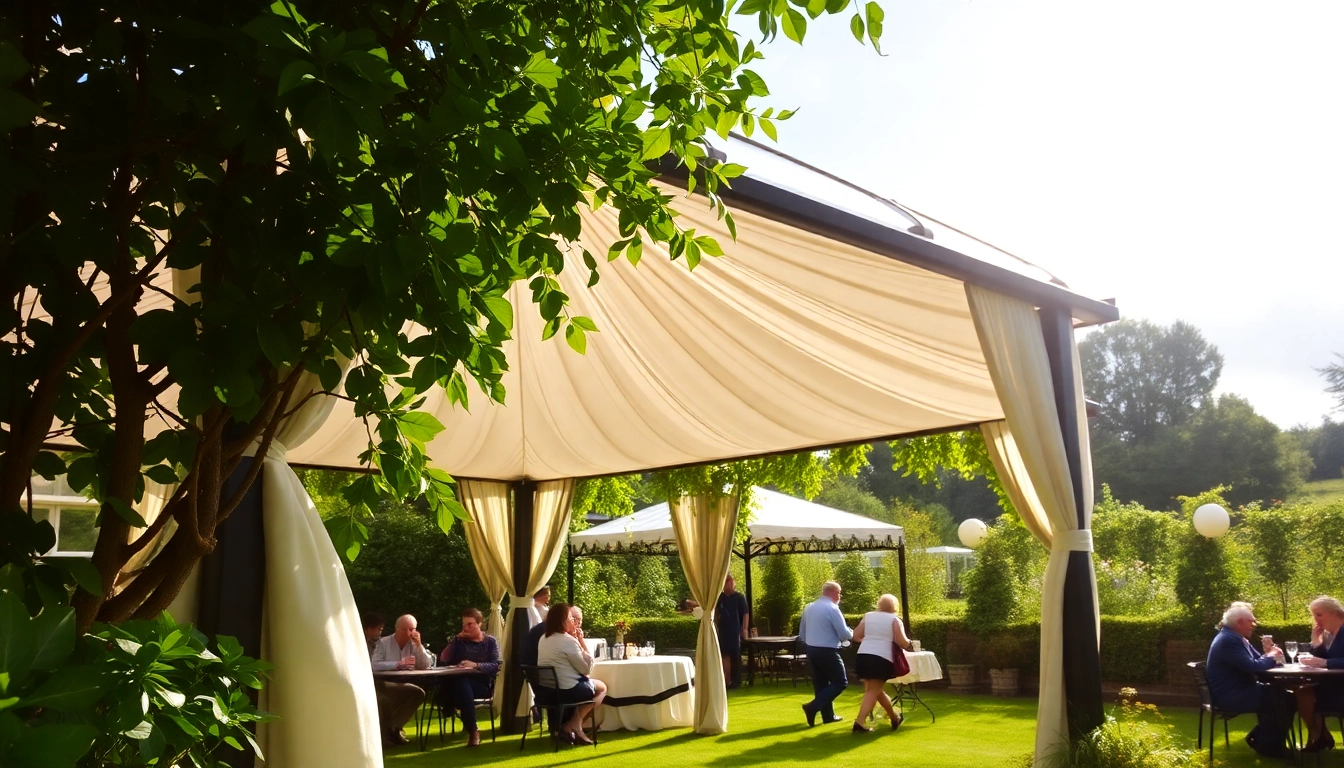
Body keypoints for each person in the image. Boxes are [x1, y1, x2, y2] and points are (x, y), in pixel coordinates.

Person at [1205, 601, 1292, 758]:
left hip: (1241, 691)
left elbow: (1258, 661)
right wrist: (1272, 657)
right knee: (1286, 698)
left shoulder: (1236, 637)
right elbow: (1252, 666)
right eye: (1252, 622)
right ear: (1239, 622)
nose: (1254, 625)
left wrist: (1268, 654)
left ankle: (1264, 742)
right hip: (1232, 696)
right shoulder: (1229, 640)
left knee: (1281, 695)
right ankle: (1268, 745)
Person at [536, 601, 607, 744]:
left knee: (591, 685)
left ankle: (574, 726)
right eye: (570, 617)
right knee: (602, 688)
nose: (573, 621)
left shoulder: (543, 639)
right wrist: (580, 640)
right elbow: (586, 668)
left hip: (547, 692)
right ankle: (573, 725)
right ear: (562, 620)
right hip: (567, 690)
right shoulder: (567, 641)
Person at [437, 608, 501, 747]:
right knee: (461, 683)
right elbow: (443, 658)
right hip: (459, 683)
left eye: (470, 624)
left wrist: (475, 665)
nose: (466, 628)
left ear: (479, 624)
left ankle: (471, 729)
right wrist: (454, 640)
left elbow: (495, 665)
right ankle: (473, 730)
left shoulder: (490, 642)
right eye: (464, 625)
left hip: (482, 685)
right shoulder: (459, 641)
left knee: (460, 685)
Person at [368, 614, 435, 746]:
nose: (410, 633)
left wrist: (419, 646)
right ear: (397, 629)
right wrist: (398, 664)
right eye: (406, 630)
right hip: (383, 683)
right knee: (386, 701)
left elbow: (425, 665)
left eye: (413, 629)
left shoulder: (414, 644)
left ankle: (394, 728)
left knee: (418, 693)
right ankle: (390, 733)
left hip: (403, 682)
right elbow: (374, 664)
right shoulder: (384, 642)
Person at [851, 593, 910, 733]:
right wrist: (908, 643)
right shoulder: (894, 619)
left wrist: (871, 640)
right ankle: (859, 722)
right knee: (874, 690)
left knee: (877, 690)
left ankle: (894, 717)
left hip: (863, 655)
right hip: (881, 657)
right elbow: (902, 642)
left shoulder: (868, 616)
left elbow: (856, 636)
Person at [797, 581, 852, 727]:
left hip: (811, 649)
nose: (840, 596)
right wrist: (853, 633)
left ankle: (828, 716)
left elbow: (802, 633)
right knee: (841, 682)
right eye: (839, 593)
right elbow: (844, 634)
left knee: (820, 683)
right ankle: (812, 707)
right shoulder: (833, 608)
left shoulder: (809, 607)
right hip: (828, 650)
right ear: (834, 593)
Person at [1294, 596, 1344, 751]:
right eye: (1314, 615)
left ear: (1335, 613)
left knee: (1304, 694)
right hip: (1333, 685)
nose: (1315, 619)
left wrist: (1324, 663)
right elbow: (1323, 659)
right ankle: (1320, 735)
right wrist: (1316, 642)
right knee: (1302, 692)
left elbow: (1325, 662)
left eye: (1319, 614)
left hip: (1340, 690)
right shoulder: (1329, 634)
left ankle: (1320, 737)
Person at [715, 575, 750, 689]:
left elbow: (745, 613)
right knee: (725, 655)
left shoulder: (739, 597)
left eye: (729, 582)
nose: (728, 585)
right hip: (723, 630)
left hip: (735, 630)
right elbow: (715, 612)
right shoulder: (720, 598)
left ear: (733, 583)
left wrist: (744, 629)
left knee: (735, 655)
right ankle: (727, 680)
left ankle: (736, 681)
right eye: (725, 583)